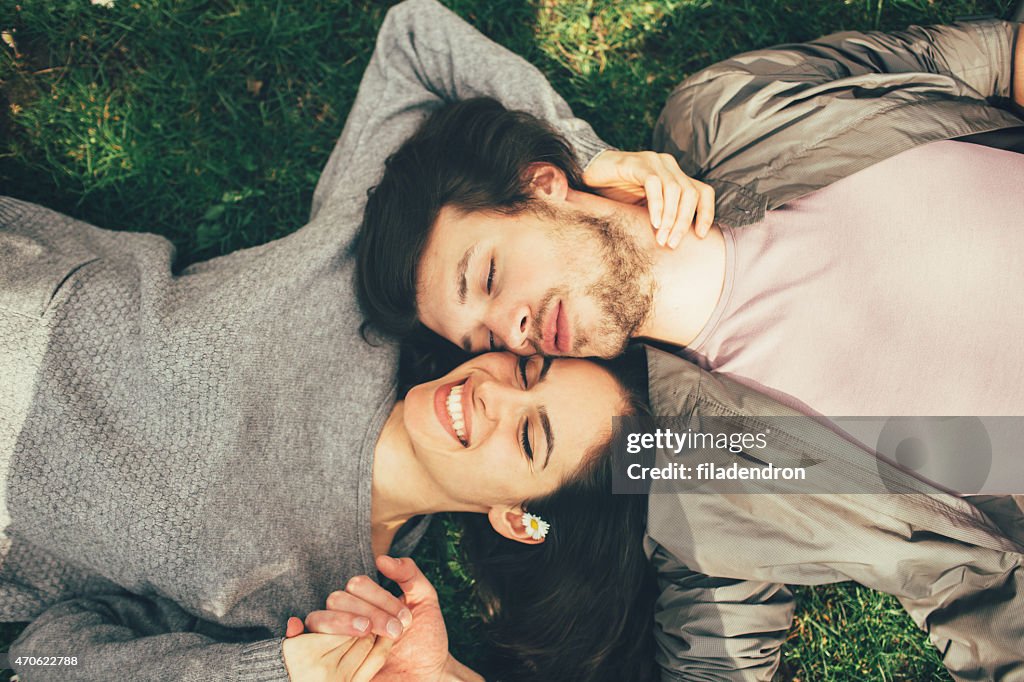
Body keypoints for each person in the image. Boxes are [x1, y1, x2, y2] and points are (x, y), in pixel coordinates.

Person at [351, 4, 1024, 680]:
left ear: (542, 184)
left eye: (490, 275)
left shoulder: (724, 112)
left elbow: (986, 58)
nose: (515, 330)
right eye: (487, 337)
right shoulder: (697, 474)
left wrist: (589, 154)